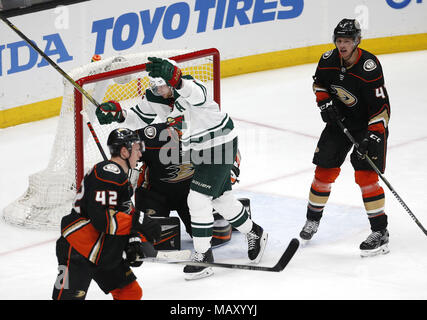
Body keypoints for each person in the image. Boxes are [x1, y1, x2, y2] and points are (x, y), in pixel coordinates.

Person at [142, 56, 268, 280]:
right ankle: (254, 232)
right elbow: (138, 114)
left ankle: (203, 255)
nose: (159, 90)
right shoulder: (164, 100)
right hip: (200, 152)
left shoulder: (189, 86)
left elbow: (196, 94)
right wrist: (117, 114)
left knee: (197, 199)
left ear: (172, 80)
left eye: (162, 84)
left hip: (220, 145)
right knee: (222, 201)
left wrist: (178, 79)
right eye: (155, 86)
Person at [299, 19, 391, 257]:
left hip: (369, 126)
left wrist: (372, 137)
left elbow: (380, 108)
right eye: (339, 40)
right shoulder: (328, 60)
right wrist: (324, 102)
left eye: (347, 41)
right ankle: (312, 220)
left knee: (366, 177)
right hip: (339, 122)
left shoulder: (369, 66)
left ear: (356, 41)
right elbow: (318, 84)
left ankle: (380, 232)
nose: (342, 45)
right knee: (324, 172)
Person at [52, 128, 161, 300]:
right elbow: (102, 218)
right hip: (77, 248)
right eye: (137, 148)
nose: (140, 154)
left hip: (104, 249)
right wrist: (139, 221)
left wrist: (132, 240)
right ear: (124, 151)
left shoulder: (120, 178)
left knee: (130, 293)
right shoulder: (107, 172)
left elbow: (123, 211)